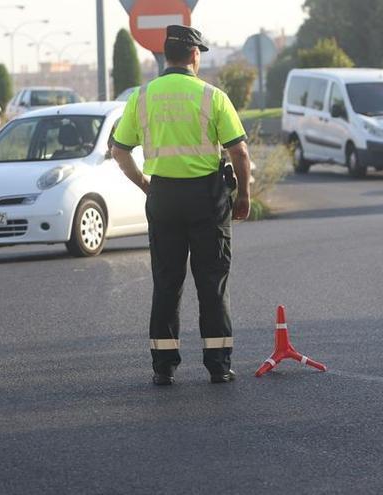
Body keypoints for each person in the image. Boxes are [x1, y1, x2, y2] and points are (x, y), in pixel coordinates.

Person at [110, 25, 252, 386]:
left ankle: (163, 366)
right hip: (207, 199)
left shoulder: (141, 98)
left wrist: (144, 183)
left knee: (167, 282)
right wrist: (244, 196)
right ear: (193, 55)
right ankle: (218, 366)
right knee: (212, 281)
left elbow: (119, 149)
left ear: (165, 56)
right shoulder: (212, 96)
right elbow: (238, 150)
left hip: (164, 199)